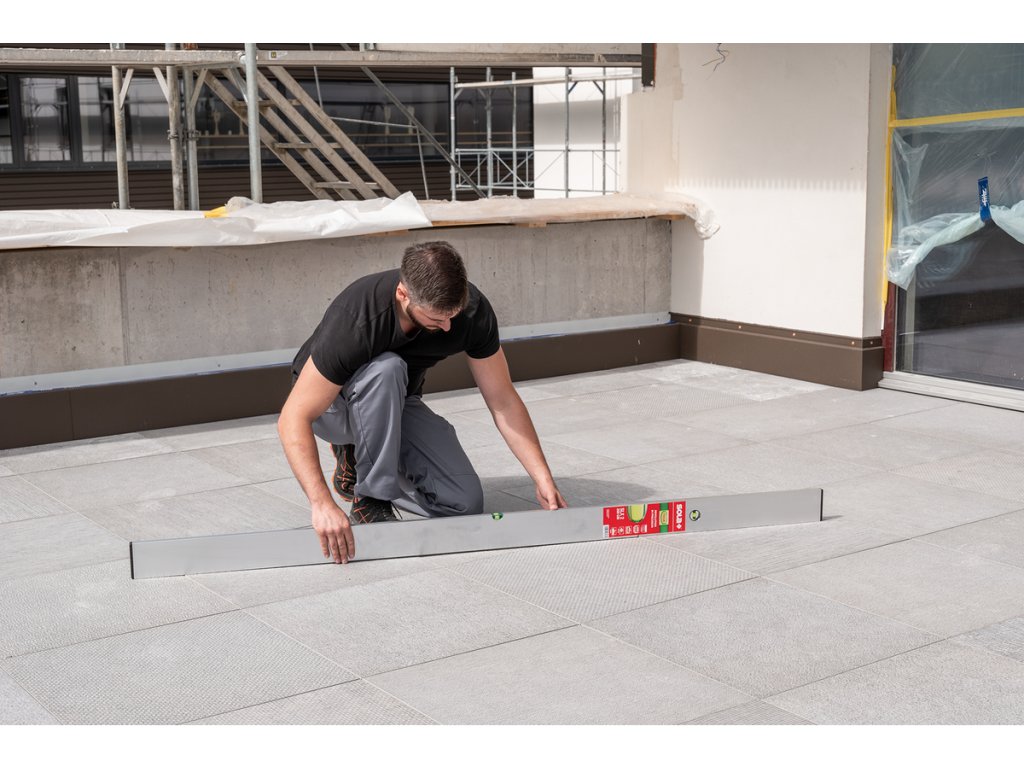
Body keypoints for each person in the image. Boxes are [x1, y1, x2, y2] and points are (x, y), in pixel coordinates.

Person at [278, 240, 567, 565]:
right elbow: (293, 417)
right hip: (332, 407)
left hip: (394, 402)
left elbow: (503, 398)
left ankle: (361, 463)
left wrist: (542, 477)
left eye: (452, 316)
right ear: (403, 294)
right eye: (436, 318)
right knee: (387, 368)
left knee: (463, 504)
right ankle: (371, 498)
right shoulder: (358, 317)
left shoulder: (472, 312)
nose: (447, 327)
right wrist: (321, 504)